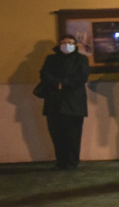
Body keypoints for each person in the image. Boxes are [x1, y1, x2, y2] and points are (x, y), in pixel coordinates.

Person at [38, 33, 89, 170]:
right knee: (56, 134)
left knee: (73, 135)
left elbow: (82, 77)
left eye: (70, 42)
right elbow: (44, 74)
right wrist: (58, 83)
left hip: (74, 104)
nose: (66, 45)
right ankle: (60, 161)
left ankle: (72, 162)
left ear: (75, 45)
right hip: (54, 103)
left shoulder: (81, 59)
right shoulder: (51, 59)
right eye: (64, 42)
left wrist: (62, 84)